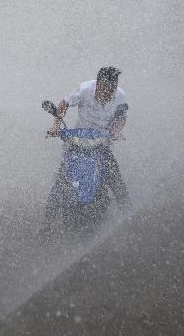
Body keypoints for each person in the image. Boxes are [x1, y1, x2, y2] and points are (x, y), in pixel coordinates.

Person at [43, 66, 130, 233]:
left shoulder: (120, 96)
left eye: (112, 88)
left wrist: (116, 132)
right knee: (60, 184)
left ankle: (128, 222)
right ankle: (46, 227)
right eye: (105, 87)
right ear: (98, 84)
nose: (108, 92)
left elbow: (121, 117)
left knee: (117, 183)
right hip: (78, 142)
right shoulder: (84, 90)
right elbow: (64, 104)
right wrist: (55, 127)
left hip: (101, 143)